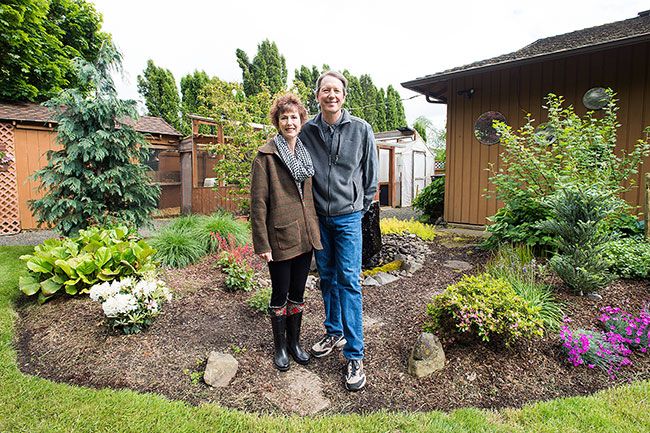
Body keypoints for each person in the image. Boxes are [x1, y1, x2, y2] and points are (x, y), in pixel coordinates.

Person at [299, 71, 378, 391]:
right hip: (318, 218)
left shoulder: (361, 129)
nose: (331, 95)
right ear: (317, 95)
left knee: (349, 281)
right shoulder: (307, 131)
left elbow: (370, 177)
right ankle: (334, 331)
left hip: (347, 219)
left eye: (336, 90)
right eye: (325, 90)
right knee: (327, 278)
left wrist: (358, 205)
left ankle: (355, 354)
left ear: (344, 96)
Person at [250, 93, 322, 371]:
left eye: (294, 117)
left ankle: (294, 343)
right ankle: (279, 347)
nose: (289, 122)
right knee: (280, 295)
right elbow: (258, 203)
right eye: (284, 118)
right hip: (279, 238)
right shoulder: (266, 156)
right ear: (277, 122)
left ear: (301, 121)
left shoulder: (305, 154)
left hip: (305, 237)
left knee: (298, 294)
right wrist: (262, 244)